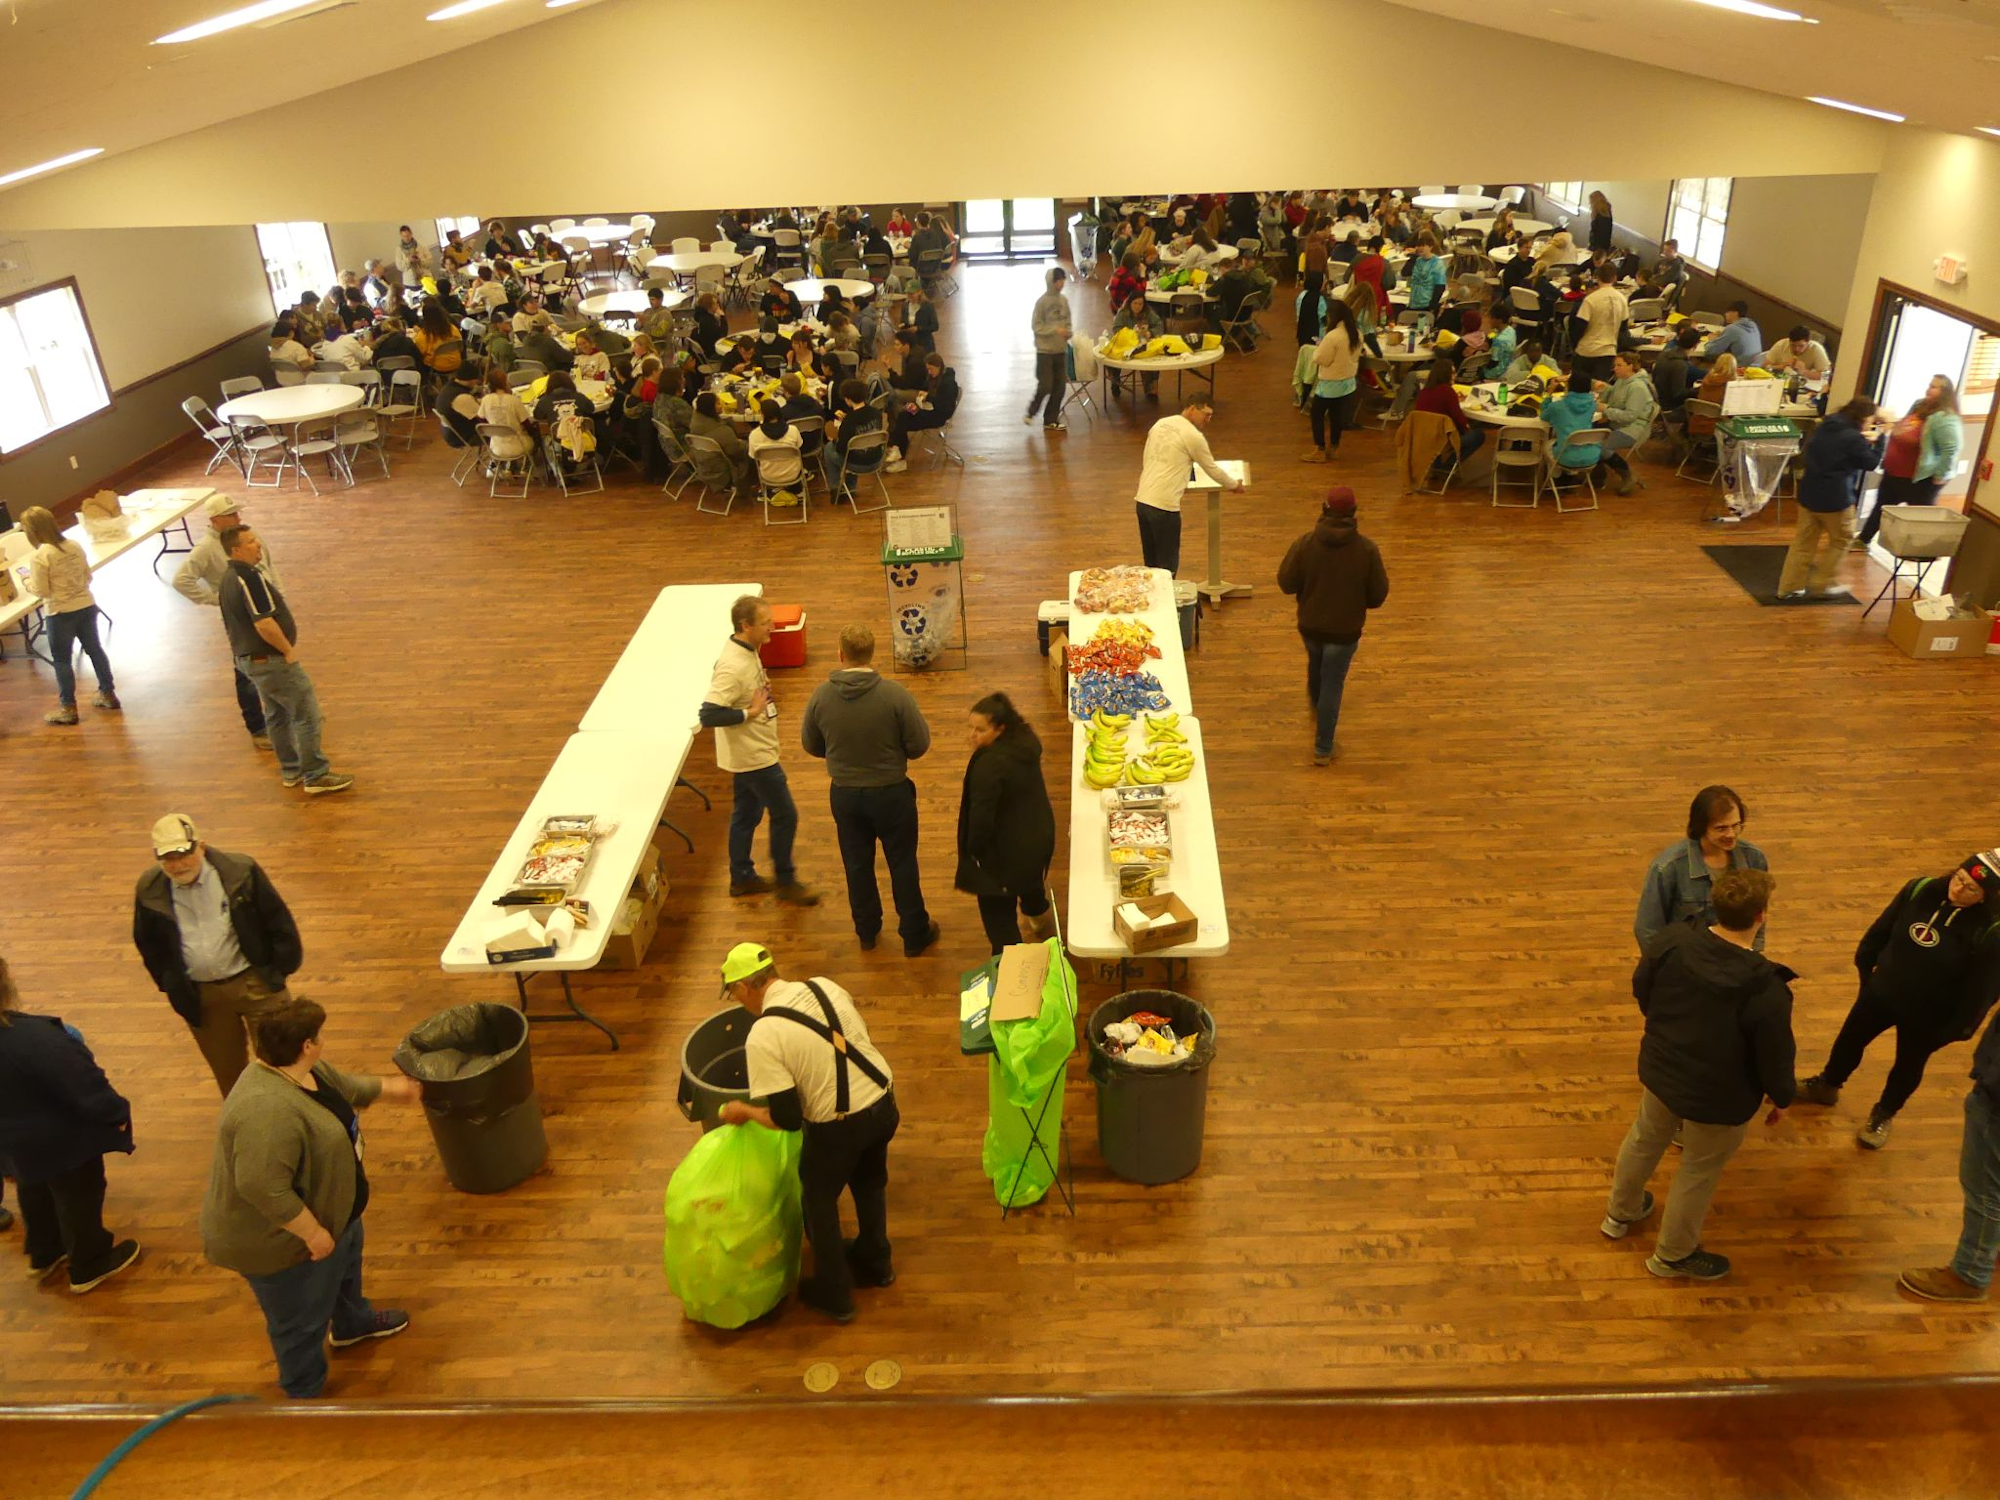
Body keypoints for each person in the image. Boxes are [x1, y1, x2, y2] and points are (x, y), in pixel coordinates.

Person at [202, 998, 418, 1399]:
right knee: (299, 1322)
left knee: (345, 1272)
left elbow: (342, 1085)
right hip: (285, 1243)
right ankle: (304, 1393)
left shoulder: (301, 1071)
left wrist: (390, 1089)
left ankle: (352, 1324)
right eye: (318, 1036)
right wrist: (314, 1233)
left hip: (335, 1214)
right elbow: (261, 1186)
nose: (322, 1041)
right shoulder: (265, 1110)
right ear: (306, 1045)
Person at [1601, 868, 1795, 1282]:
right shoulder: (1766, 988)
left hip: (1663, 1071)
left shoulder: (1673, 941)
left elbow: (1643, 988)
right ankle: (1672, 1256)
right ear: (1761, 916)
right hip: (1719, 1098)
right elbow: (1774, 1057)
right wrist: (1781, 1096)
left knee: (1644, 1137)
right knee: (1698, 1169)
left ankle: (1621, 1213)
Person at [713, 943, 898, 1323]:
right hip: (884, 1102)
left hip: (841, 1126)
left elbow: (788, 1118)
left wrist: (743, 1111)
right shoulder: (824, 986)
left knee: (818, 1198)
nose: (734, 999)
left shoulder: (764, 1034)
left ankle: (835, 1293)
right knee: (868, 1182)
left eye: (732, 991)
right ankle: (877, 1262)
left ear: (746, 988)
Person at [1793, 852, 2000, 1152]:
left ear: (1986, 896)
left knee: (1907, 1066)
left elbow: (1982, 992)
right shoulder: (1919, 890)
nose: (1957, 889)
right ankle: (1828, 1085)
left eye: (1970, 889)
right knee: (1849, 1040)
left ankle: (1883, 1115)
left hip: (1928, 1016)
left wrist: (1955, 1031)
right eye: (1959, 879)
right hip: (1882, 993)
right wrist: (1867, 977)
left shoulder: (1990, 932)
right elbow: (1880, 932)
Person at [133, 811, 302, 1095]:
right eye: (168, 859)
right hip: (203, 998)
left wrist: (277, 972)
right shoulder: (149, 889)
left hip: (256, 984)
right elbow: (147, 943)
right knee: (231, 1079)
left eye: (183, 854)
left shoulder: (240, 871)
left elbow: (277, 920)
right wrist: (172, 984)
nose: (177, 865)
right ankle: (248, 1130)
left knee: (284, 1066)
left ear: (201, 846)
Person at [0, 955, 141, 1293]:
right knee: (78, 1196)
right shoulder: (39, 1039)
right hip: (64, 1142)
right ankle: (88, 1264)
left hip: (13, 1142)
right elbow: (85, 1085)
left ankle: (45, 1253)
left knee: (32, 1188)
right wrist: (117, 1113)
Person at [800, 625, 938, 956]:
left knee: (857, 864)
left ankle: (867, 931)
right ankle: (914, 934)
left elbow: (811, 744)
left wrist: (840, 758)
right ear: (872, 654)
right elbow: (919, 745)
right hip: (891, 793)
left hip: (845, 795)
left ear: (840, 654)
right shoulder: (895, 696)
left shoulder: (820, 696)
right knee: (902, 863)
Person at [217, 525, 353, 796]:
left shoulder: (228, 578)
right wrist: (287, 650)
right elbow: (264, 622)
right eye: (251, 542)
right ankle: (315, 774)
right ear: (236, 550)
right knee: (307, 715)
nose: (258, 545)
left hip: (250, 660)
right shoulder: (248, 578)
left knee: (276, 714)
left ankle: (291, 771)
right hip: (270, 660)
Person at [700, 597, 819, 905]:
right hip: (754, 757)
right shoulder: (732, 666)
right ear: (746, 626)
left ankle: (741, 877)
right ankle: (785, 880)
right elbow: (709, 714)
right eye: (766, 622)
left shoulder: (747, 650)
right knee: (785, 815)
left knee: (746, 815)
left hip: (748, 752)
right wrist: (749, 713)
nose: (774, 626)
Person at [1276, 487, 1389, 766]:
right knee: (1332, 684)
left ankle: (1317, 708)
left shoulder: (1305, 543)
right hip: (1345, 631)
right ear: (1353, 513)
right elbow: (1377, 597)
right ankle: (1324, 748)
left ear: (1324, 510)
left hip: (1311, 625)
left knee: (1316, 664)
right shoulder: (1367, 550)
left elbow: (1286, 583)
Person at [955, 693, 1057, 954]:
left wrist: (975, 853)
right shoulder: (1025, 743)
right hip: (1035, 837)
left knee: (998, 919)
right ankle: (1038, 915)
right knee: (1030, 878)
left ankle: (1015, 970)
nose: (972, 735)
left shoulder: (990, 765)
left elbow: (981, 817)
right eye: (971, 728)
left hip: (1005, 854)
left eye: (980, 730)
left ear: (1000, 728)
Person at [173, 495, 275, 750]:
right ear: (215, 520)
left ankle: (278, 718)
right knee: (245, 671)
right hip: (240, 620)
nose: (237, 518)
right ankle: (257, 727)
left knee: (274, 665)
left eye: (237, 513)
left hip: (265, 611)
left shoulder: (245, 535)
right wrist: (216, 600)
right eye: (231, 515)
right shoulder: (205, 549)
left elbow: (269, 566)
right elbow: (181, 580)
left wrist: (278, 594)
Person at [1635, 785, 1770, 952]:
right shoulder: (1668, 867)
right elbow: (1648, 929)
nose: (1731, 834)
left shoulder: (1754, 859)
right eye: (1721, 828)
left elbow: (1758, 914)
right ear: (1700, 827)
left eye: (1736, 825)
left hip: (1734, 961)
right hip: (1687, 964)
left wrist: (1752, 956)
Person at [1778, 396, 1886, 599]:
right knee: (1841, 539)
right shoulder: (1853, 438)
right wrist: (1881, 441)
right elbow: (1870, 462)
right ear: (1863, 418)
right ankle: (1822, 583)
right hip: (1835, 498)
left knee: (1803, 543)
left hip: (1809, 492)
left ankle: (1789, 587)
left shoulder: (1826, 424)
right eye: (1871, 420)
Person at [18, 505, 118, 726]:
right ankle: (108, 693)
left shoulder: (40, 556)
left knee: (62, 660)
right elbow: (87, 576)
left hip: (60, 613)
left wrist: (26, 582)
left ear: (32, 531)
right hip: (86, 605)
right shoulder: (74, 545)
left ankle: (67, 708)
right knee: (95, 649)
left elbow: (42, 591)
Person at [1135, 391, 1240, 576]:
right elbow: (1212, 469)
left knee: (1151, 567)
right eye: (1206, 414)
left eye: (1211, 416)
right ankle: (1169, 603)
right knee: (1167, 569)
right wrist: (1234, 485)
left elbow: (1148, 458)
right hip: (1165, 508)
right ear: (1192, 409)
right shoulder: (1193, 436)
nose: (1208, 420)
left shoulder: (1160, 424)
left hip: (1143, 502)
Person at [1859, 375, 1964, 545]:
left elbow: (1951, 449)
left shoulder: (1945, 417)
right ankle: (1863, 541)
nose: (1928, 389)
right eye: (1929, 385)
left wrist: (1940, 475)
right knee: (1881, 508)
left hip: (1919, 480)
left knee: (1919, 521)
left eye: (1934, 387)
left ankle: (1920, 552)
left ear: (1945, 393)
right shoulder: (1919, 405)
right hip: (1894, 472)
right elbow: (1904, 427)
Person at [1302, 297, 1362, 464]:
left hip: (1330, 382)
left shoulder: (1333, 336)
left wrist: (1318, 350)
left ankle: (1319, 449)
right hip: (1348, 382)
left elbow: (1322, 359)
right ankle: (1334, 447)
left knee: (1317, 414)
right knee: (1336, 415)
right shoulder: (1357, 333)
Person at [1593, 351, 1659, 496]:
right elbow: (1615, 395)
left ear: (1631, 366)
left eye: (1619, 365)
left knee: (1599, 446)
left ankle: (1627, 474)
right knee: (1589, 434)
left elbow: (1629, 417)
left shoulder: (1638, 387)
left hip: (1632, 430)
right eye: (1615, 365)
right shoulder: (1622, 380)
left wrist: (1606, 410)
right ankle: (1597, 476)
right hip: (1617, 424)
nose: (1615, 368)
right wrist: (1604, 387)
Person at [885, 352, 959, 471]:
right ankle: (898, 450)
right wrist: (916, 405)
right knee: (903, 415)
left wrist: (928, 397)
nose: (929, 372)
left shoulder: (949, 384)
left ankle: (900, 454)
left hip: (938, 416)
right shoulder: (933, 378)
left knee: (903, 421)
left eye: (931, 369)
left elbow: (944, 406)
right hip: (929, 411)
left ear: (939, 367)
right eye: (928, 369)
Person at [1024, 266, 1072, 433]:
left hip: (1060, 350)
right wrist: (1054, 330)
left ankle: (1050, 419)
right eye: (1058, 280)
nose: (1061, 284)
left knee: (1060, 387)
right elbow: (1036, 326)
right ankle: (1032, 411)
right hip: (1044, 352)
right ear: (1051, 282)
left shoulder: (1064, 301)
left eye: (1063, 280)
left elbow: (1067, 320)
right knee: (1046, 385)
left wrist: (1067, 332)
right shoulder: (1042, 302)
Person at [821, 378, 883, 502]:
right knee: (853, 450)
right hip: (876, 459)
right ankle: (851, 488)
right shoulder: (876, 413)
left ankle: (836, 488)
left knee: (829, 449)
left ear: (848, 399)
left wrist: (834, 439)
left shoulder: (849, 422)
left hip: (858, 464)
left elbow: (841, 449)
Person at [1570, 263, 1630, 388]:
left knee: (1578, 389)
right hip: (1608, 351)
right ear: (1615, 278)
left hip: (1586, 350)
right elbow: (1623, 329)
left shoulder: (1590, 299)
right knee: (1599, 391)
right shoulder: (1622, 299)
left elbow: (1579, 328)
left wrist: (1575, 346)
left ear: (1597, 278)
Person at [1654, 324, 1702, 416]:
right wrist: (1698, 390)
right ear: (1696, 345)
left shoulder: (1664, 354)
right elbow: (1678, 394)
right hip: (1672, 407)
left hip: (1660, 400)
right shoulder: (1680, 365)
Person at [1698, 302, 1763, 368]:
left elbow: (1711, 351)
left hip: (1736, 369)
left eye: (1728, 312)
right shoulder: (1753, 325)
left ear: (1735, 313)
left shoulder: (1732, 329)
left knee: (1698, 362)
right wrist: (1723, 335)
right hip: (1753, 368)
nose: (1725, 314)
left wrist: (1711, 340)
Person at [1761, 326, 1831, 379]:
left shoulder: (1816, 349)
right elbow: (1764, 367)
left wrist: (1804, 371)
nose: (1796, 349)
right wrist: (1781, 366)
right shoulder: (1781, 345)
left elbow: (1826, 375)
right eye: (1793, 345)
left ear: (1808, 342)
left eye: (1801, 346)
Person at [1403, 236, 1445, 319]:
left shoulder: (1437, 263)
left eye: (1423, 246)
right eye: (1418, 246)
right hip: (1413, 303)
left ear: (1430, 247)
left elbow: (1440, 286)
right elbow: (1404, 272)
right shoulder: (1417, 260)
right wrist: (1413, 257)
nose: (1420, 248)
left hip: (1426, 304)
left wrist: (1432, 306)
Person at [1478, 306, 1518, 380]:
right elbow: (1493, 334)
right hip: (1508, 365)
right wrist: (1487, 340)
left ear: (1499, 320)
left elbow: (1494, 362)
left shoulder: (1499, 340)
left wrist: (1483, 369)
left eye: (1491, 318)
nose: (1489, 321)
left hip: (1497, 373)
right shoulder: (1511, 330)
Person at [1585, 190, 1614, 254]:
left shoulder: (1597, 215)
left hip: (1596, 247)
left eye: (1591, 202)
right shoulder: (1607, 213)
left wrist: (1591, 245)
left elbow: (1595, 233)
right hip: (1605, 246)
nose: (1590, 204)